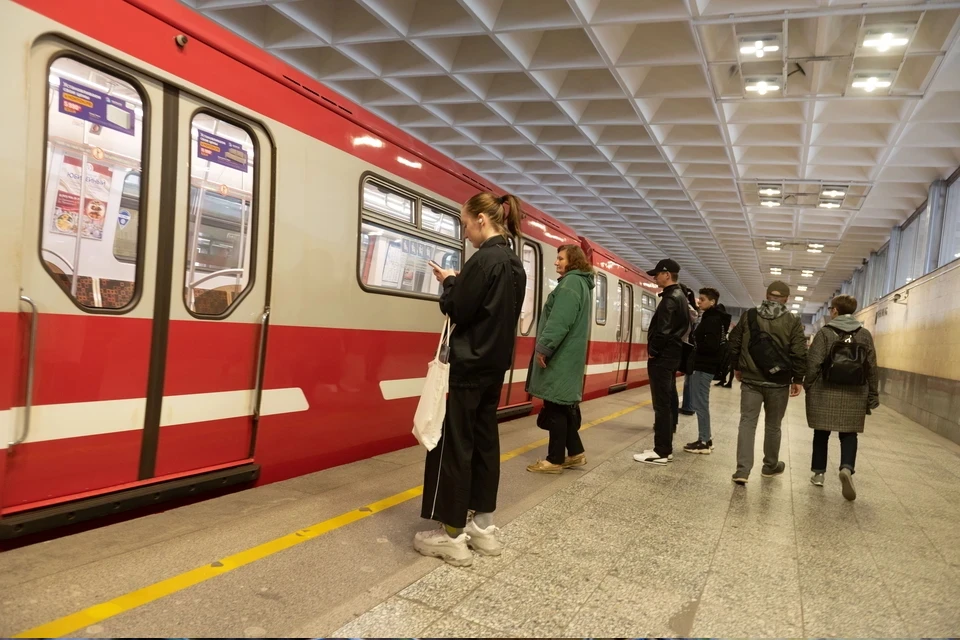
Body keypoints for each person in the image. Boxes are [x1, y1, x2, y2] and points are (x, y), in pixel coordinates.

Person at [415, 192, 526, 566]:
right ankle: (483, 527)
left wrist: (448, 283)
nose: (465, 233)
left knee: (456, 446)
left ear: (481, 219)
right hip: (494, 368)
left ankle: (451, 535)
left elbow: (457, 309)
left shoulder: (483, 260)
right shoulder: (514, 264)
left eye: (465, 224)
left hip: (467, 368)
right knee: (485, 443)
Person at [727, 281, 807, 484]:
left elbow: (734, 342)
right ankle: (770, 466)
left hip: (751, 380)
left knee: (747, 423)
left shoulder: (749, 315)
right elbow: (799, 352)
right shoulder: (792, 320)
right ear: (786, 299)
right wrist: (798, 379)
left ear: (767, 295)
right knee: (773, 426)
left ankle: (742, 471)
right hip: (779, 382)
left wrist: (737, 367)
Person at [525, 245, 595, 474]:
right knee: (562, 407)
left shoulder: (571, 283)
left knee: (554, 406)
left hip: (560, 356)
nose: (556, 263)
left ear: (572, 261)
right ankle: (575, 453)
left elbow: (560, 320)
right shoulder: (581, 283)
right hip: (567, 355)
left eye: (560, 258)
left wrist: (544, 348)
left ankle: (554, 460)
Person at [804, 295, 879, 501]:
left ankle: (818, 474)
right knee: (849, 435)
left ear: (835, 311)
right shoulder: (864, 335)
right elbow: (871, 366)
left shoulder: (825, 333)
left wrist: (808, 384)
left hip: (825, 390)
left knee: (821, 433)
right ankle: (847, 468)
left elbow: (814, 363)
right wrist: (873, 393)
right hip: (855, 392)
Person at [633, 259, 690, 466]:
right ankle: (664, 448)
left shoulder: (670, 299)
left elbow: (663, 331)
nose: (655, 277)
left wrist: (653, 351)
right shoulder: (681, 296)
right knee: (667, 402)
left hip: (663, 358)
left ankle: (662, 451)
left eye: (657, 274)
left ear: (667, 274)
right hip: (672, 356)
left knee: (661, 404)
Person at [683, 288, 730, 454]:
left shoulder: (712, 320)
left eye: (702, 299)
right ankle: (706, 438)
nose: (699, 302)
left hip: (703, 366)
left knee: (700, 403)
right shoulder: (714, 318)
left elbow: (710, 346)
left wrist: (695, 348)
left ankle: (703, 441)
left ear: (712, 302)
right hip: (705, 365)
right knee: (701, 402)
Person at [678, 285, 699, 418]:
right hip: (690, 348)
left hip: (686, 347)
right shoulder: (694, 311)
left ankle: (688, 406)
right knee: (689, 379)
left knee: (689, 380)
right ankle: (688, 405)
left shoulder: (686, 309)